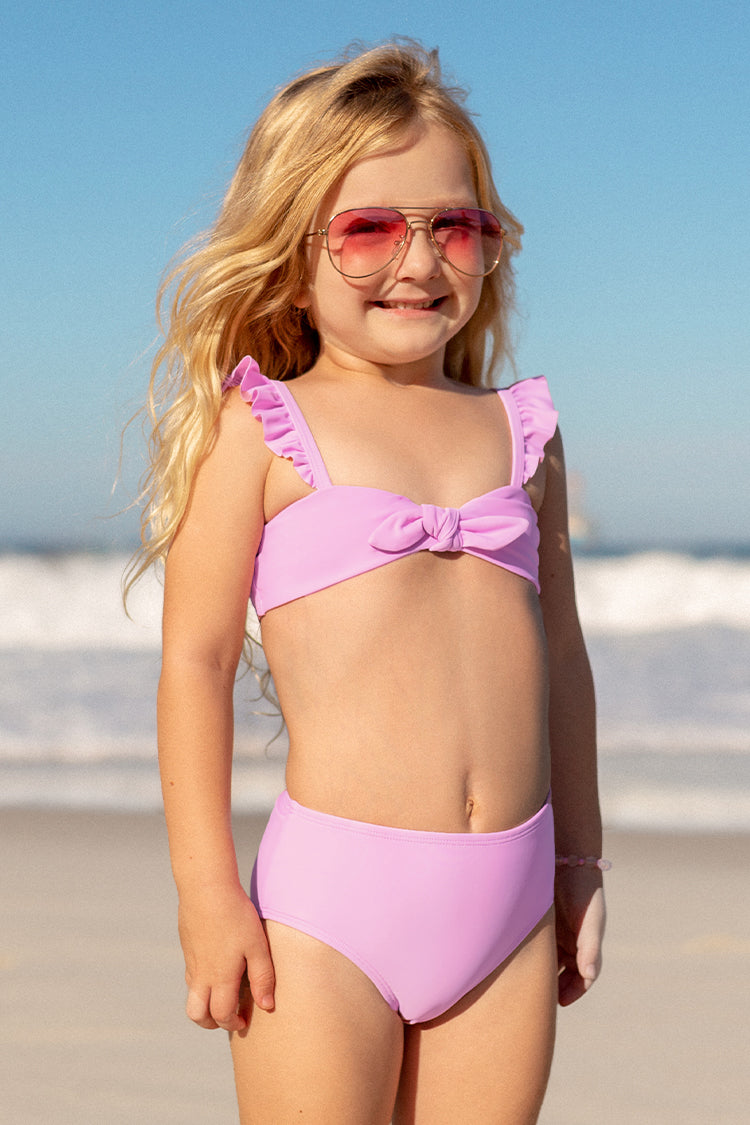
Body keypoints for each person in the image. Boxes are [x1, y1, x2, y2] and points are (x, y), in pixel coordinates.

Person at [130, 39, 607, 1125]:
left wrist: (578, 857)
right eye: (370, 229)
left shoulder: (523, 433)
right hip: (327, 912)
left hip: (509, 904)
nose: (420, 260)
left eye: (455, 225)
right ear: (292, 249)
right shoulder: (264, 428)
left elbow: (565, 661)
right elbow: (196, 664)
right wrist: (206, 894)